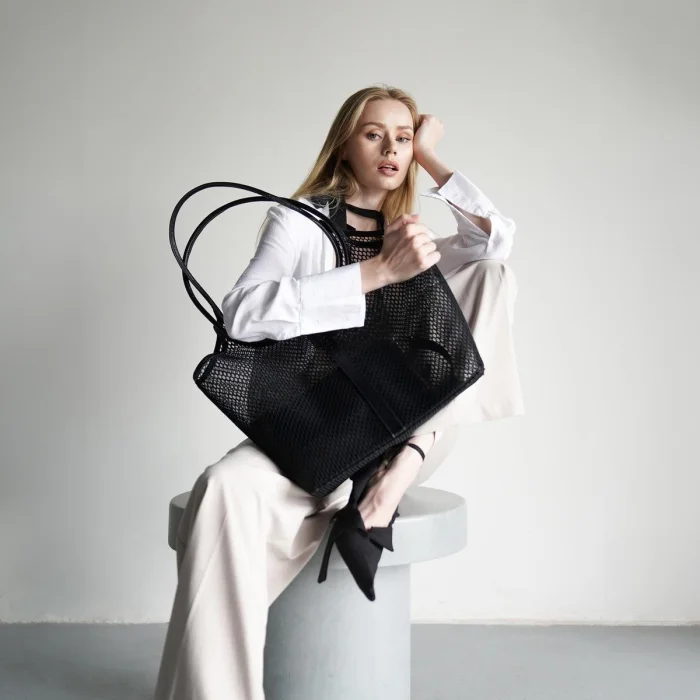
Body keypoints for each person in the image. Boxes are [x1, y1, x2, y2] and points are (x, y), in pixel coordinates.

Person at [153, 84, 524, 700]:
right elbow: (240, 314)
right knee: (221, 489)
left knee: (490, 274)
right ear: (345, 145)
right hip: (320, 428)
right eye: (374, 135)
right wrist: (376, 273)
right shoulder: (299, 221)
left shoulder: (413, 232)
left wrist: (431, 154)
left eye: (402, 138)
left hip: (409, 433)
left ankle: (389, 483)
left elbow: (496, 239)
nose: (390, 149)